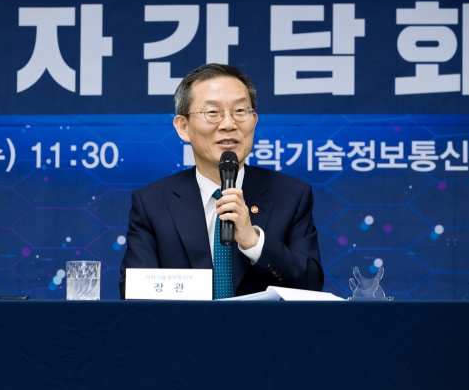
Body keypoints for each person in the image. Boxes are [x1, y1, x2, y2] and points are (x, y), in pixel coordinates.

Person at [119, 64, 323, 299]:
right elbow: (134, 294)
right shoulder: (152, 203)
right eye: (212, 113)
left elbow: (311, 287)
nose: (228, 124)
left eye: (239, 111)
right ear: (183, 127)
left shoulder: (292, 195)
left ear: (254, 121)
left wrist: (252, 241)